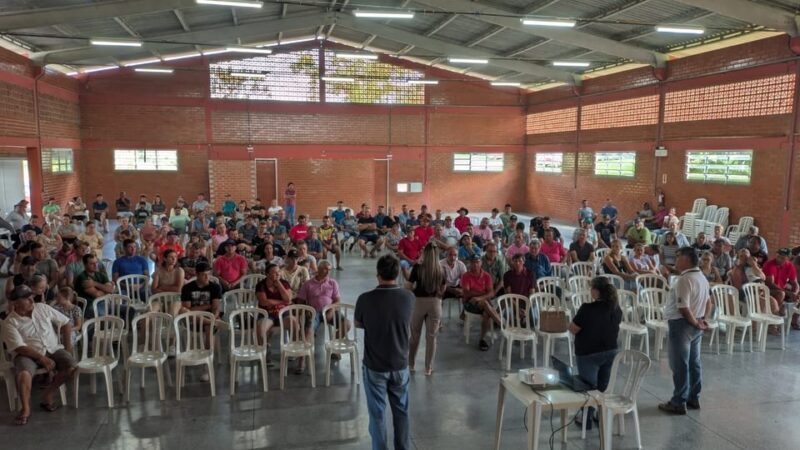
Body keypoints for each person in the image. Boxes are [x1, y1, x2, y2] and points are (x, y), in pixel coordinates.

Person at [355, 255, 414, 450]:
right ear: (398, 274)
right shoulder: (408, 298)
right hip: (400, 364)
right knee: (401, 412)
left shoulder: (364, 299)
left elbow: (358, 323)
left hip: (375, 367)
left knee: (378, 414)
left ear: (377, 274)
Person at [2, 285, 76, 425]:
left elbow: (66, 324)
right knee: (24, 373)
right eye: (26, 298)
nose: (31, 300)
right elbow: (20, 347)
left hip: (53, 348)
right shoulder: (10, 322)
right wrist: (41, 358)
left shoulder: (42, 308)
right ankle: (25, 408)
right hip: (26, 354)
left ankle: (48, 394)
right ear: (16, 303)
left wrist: (68, 350)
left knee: (71, 367)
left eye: (31, 296)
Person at [659, 247, 712, 415]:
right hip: (696, 324)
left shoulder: (684, 279)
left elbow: (683, 308)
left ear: (687, 259)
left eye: (678, 256)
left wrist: (696, 322)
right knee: (693, 362)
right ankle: (693, 397)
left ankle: (678, 402)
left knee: (679, 364)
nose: (675, 260)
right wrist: (704, 319)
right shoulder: (701, 276)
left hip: (682, 325)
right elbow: (709, 302)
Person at [569, 276, 622, 429]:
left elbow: (574, 328)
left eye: (591, 287)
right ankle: (601, 414)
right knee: (602, 386)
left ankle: (586, 418)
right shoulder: (616, 309)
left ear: (597, 291)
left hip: (588, 353)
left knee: (588, 387)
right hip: (611, 352)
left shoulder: (587, 308)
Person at [295, 260, 346, 371]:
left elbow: (337, 301)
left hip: (329, 310)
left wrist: (331, 311)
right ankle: (302, 360)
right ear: (318, 269)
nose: (328, 272)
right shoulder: (308, 284)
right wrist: (306, 310)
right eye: (325, 269)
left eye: (329, 269)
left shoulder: (332, 283)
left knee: (346, 324)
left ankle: (334, 347)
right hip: (314, 312)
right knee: (308, 332)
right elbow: (300, 300)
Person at [461, 254, 502, 351]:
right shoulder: (466, 276)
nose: (475, 265)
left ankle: (482, 340)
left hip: (480, 301)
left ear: (481, 263)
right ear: (470, 264)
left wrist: (479, 297)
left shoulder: (486, 276)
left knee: (486, 313)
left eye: (477, 262)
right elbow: (467, 293)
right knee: (485, 304)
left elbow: (491, 293)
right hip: (469, 303)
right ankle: (501, 324)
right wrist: (483, 293)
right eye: (473, 262)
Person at [763, 248, 800, 329]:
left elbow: (795, 283)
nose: (779, 259)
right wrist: (788, 293)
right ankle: (773, 323)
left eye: (783, 258)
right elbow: (770, 284)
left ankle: (794, 319)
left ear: (788, 258)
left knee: (796, 294)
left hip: (781, 290)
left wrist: (795, 293)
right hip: (767, 289)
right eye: (778, 256)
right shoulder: (769, 264)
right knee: (781, 294)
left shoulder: (789, 265)